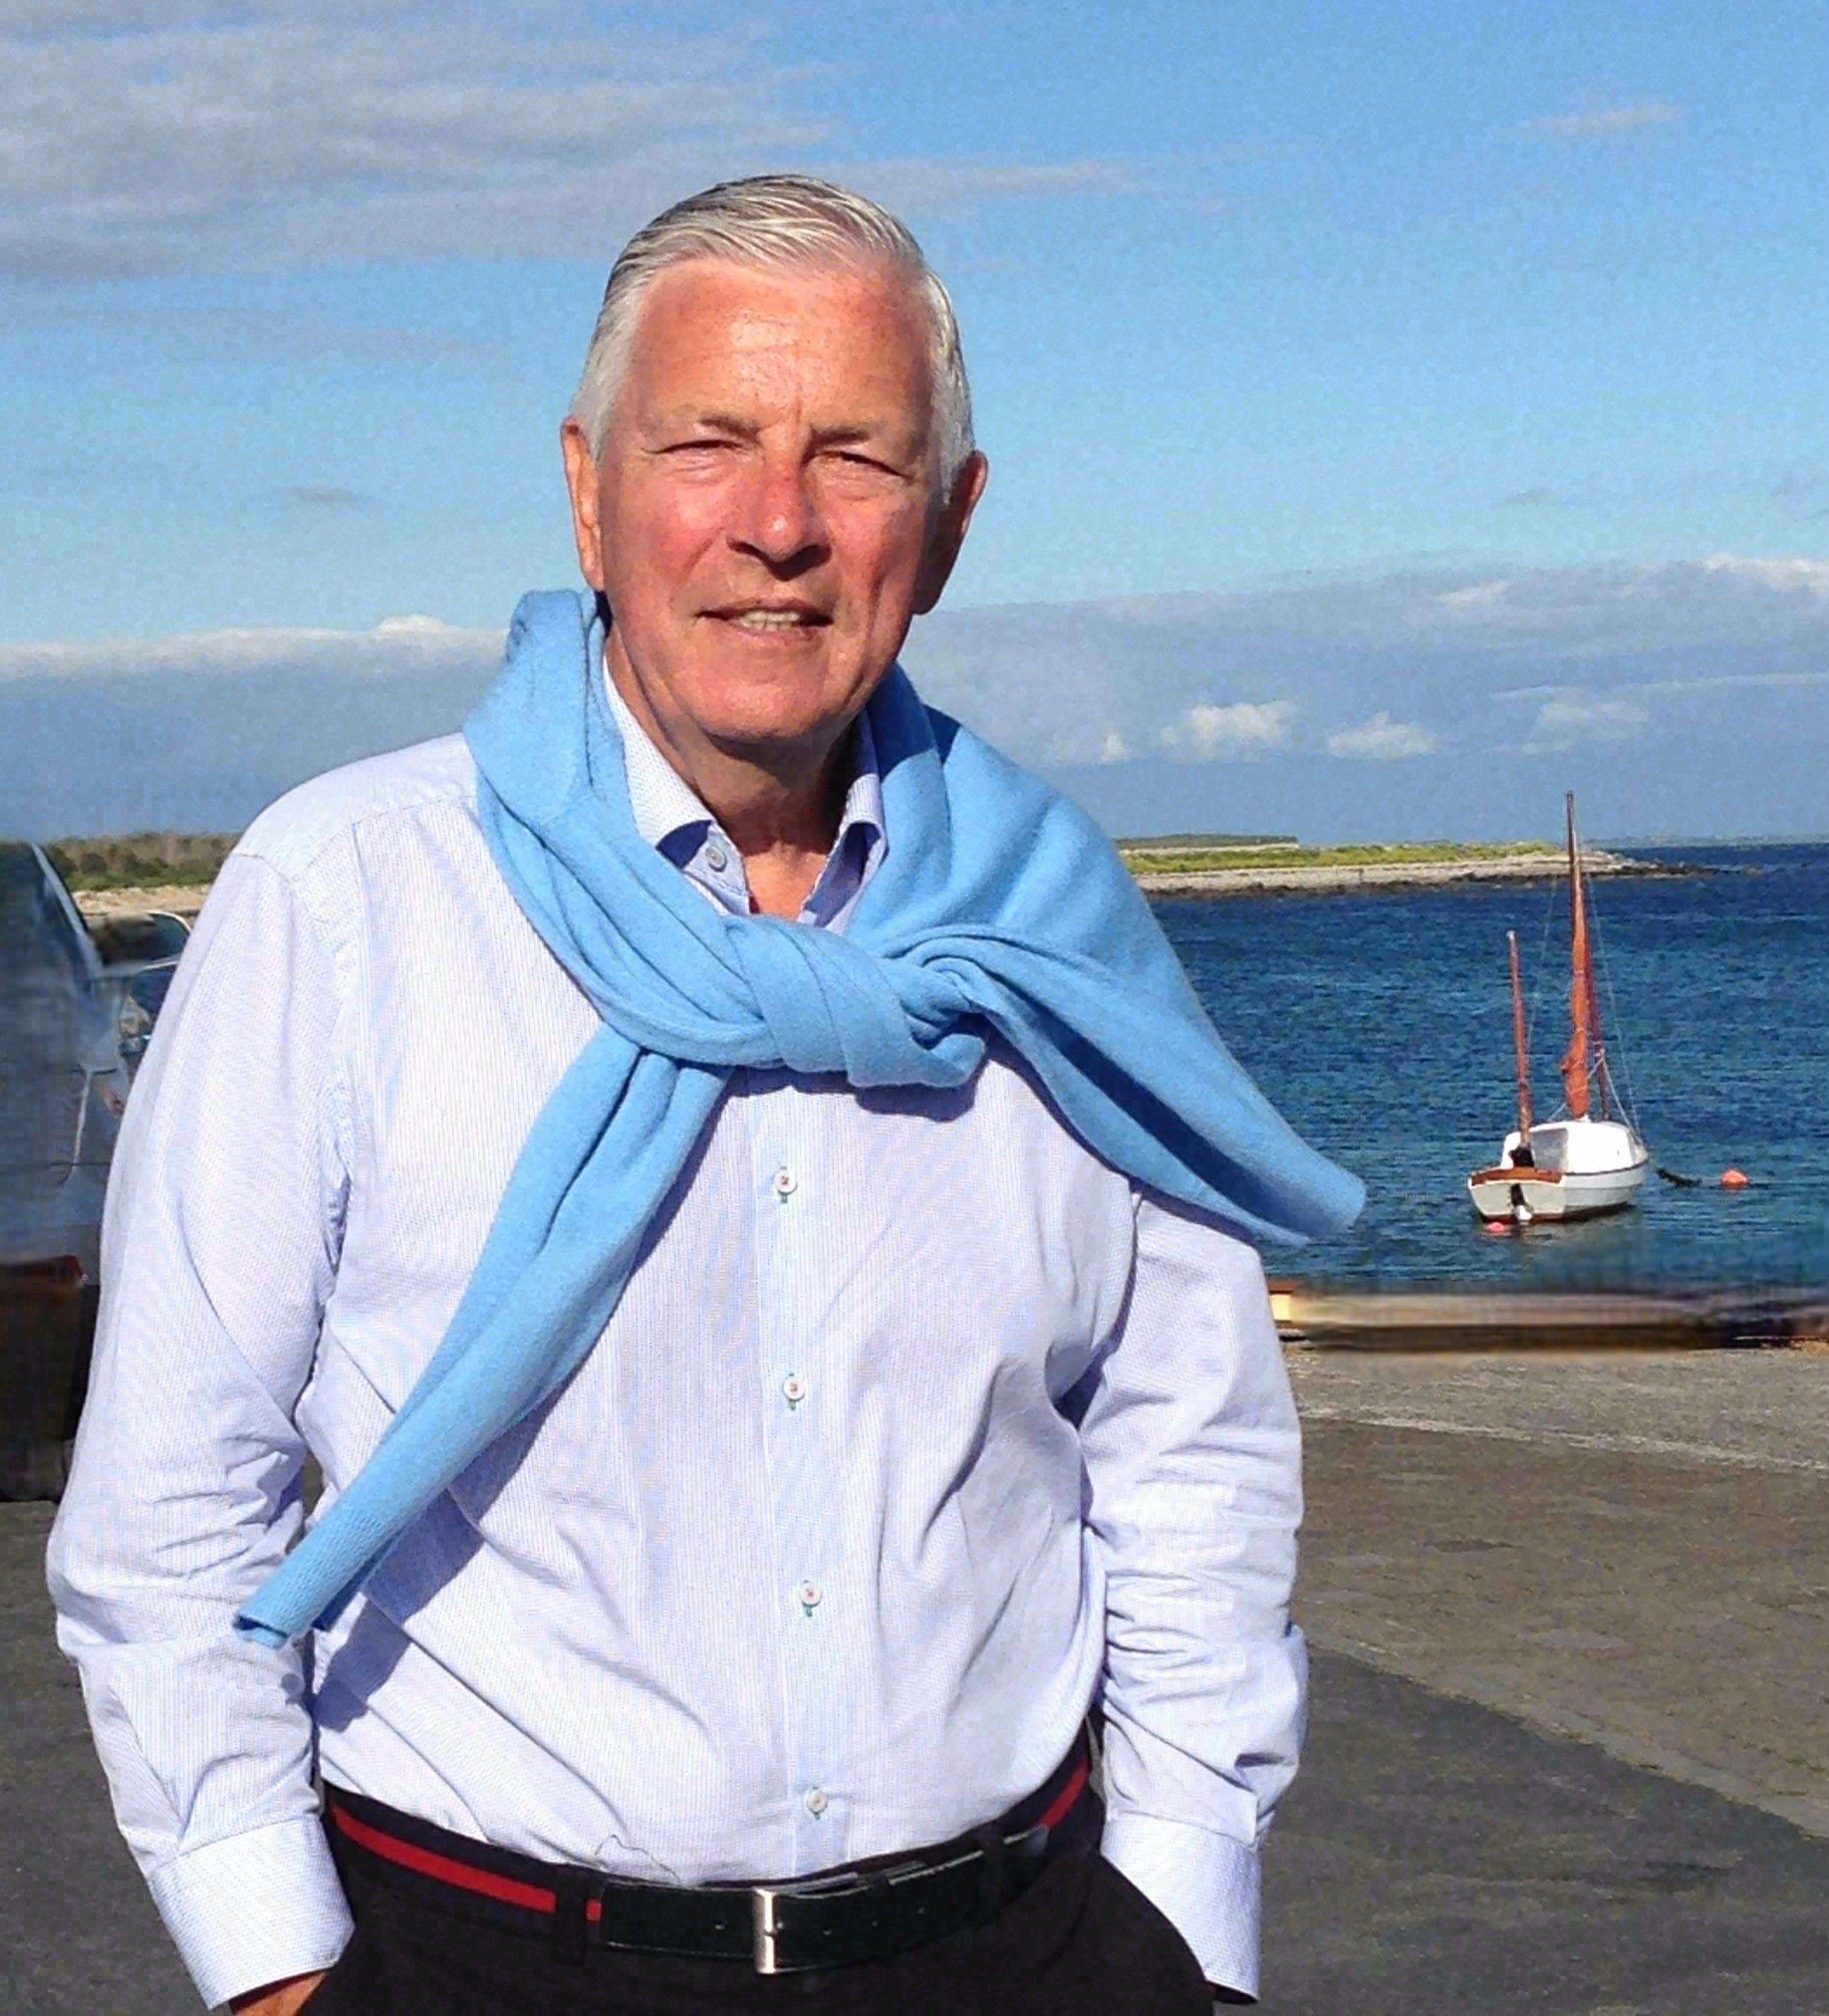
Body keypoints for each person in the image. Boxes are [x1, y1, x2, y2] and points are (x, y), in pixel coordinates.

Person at [47, 176, 1360, 2015]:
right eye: (709, 443)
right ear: (588, 493)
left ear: (951, 522)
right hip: (483, 1958)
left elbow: (1188, 1448)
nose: (779, 525)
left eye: (856, 457)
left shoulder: (1056, 933)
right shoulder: (347, 901)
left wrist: (1183, 1920)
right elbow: (171, 1508)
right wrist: (278, 1977)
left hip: (1026, 1950)